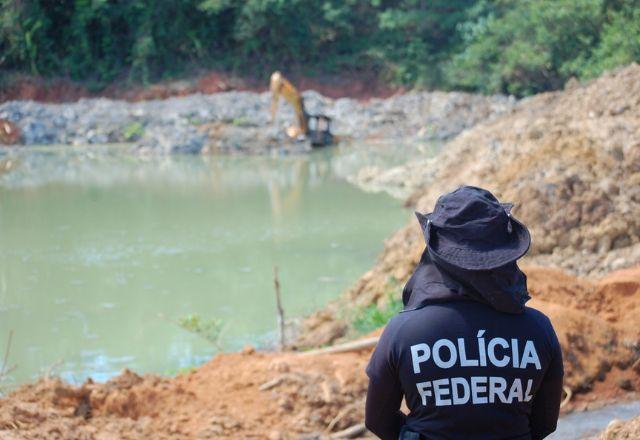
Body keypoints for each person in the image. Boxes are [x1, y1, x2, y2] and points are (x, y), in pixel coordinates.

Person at [365, 186, 563, 440]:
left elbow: (377, 420)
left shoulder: (403, 332)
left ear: (436, 253)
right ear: (506, 254)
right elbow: (545, 423)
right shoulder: (539, 330)